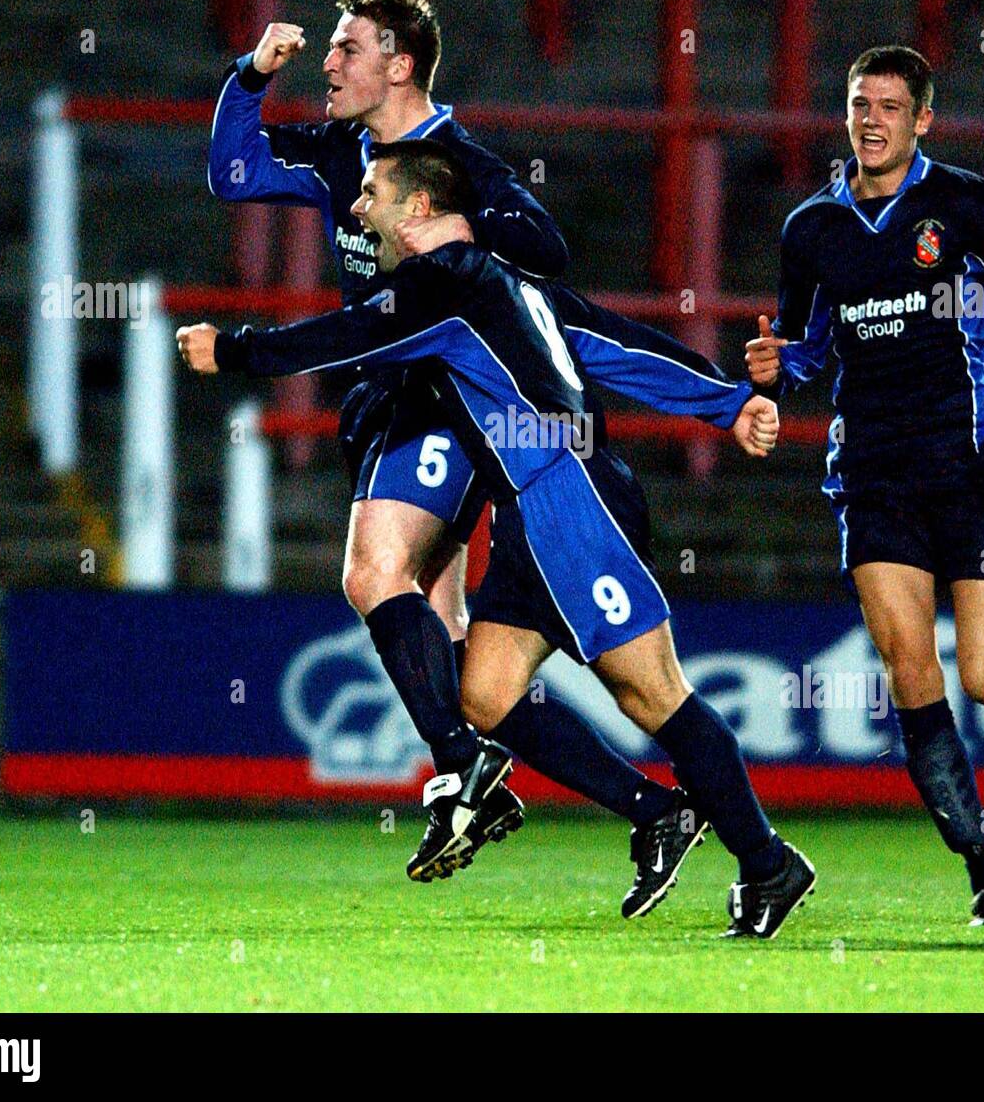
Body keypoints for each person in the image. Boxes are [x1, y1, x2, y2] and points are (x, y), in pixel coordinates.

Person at [180, 140, 817, 938]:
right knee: (486, 693)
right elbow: (615, 343)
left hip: (571, 495)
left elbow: (345, 339)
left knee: (652, 692)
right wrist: (724, 402)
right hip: (531, 509)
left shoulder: (440, 284)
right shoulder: (514, 284)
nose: (357, 206)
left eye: (372, 191)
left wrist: (232, 349)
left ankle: (766, 865)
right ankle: (658, 813)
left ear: (418, 208)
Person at [745, 45, 984, 926]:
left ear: (923, 120)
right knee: (909, 667)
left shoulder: (964, 209)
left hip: (970, 469)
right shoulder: (811, 230)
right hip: (871, 475)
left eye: (892, 108)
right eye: (861, 104)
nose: (872, 121)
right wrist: (775, 366)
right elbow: (810, 351)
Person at [209, 0, 567, 844]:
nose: (326, 64)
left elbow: (545, 249)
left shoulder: (464, 165)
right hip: (380, 399)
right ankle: (638, 803)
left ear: (398, 65)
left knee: (372, 576)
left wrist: (452, 232)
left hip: (441, 400)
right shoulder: (342, 154)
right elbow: (232, 173)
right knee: (439, 628)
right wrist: (250, 76)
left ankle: (463, 763)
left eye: (346, 48)